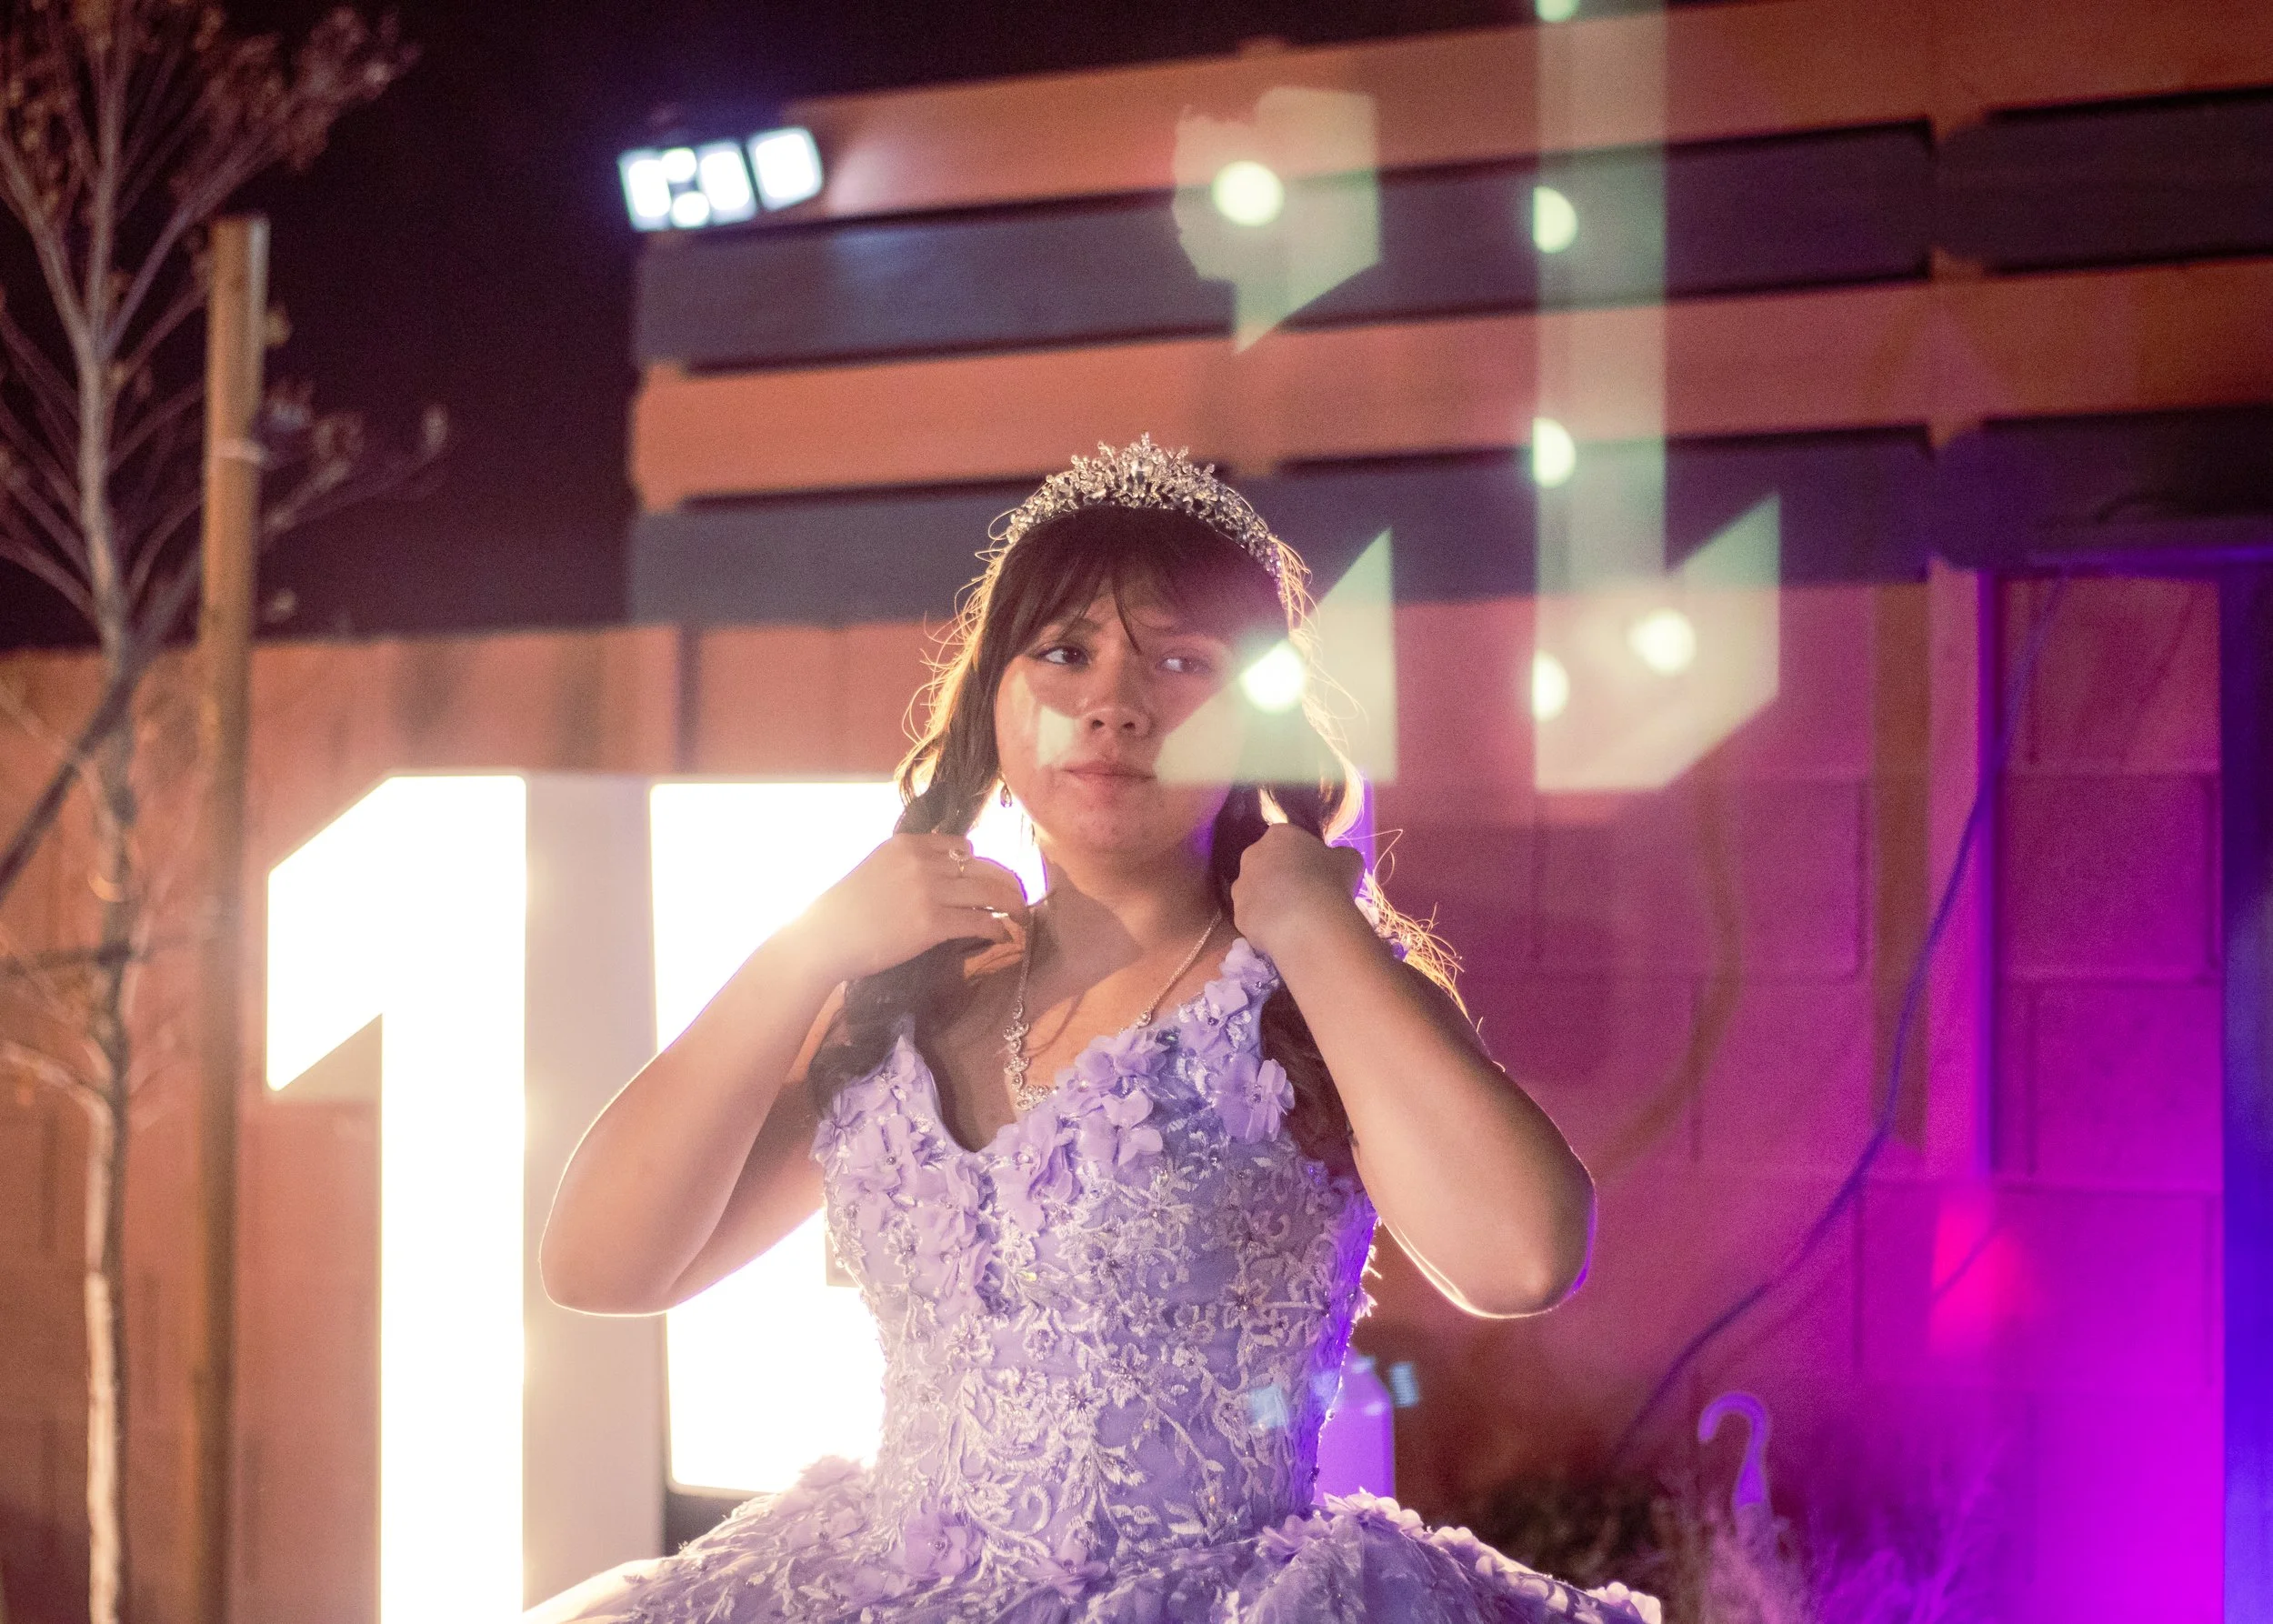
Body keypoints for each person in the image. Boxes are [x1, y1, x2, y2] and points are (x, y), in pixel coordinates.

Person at [534, 439, 1656, 1624]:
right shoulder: (906, 1003)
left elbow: (1525, 1257)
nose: (1114, 702)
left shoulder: (1307, 994)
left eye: (1181, 660)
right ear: (993, 701)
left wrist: (1322, 930)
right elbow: (602, 1266)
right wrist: (799, 953)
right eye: (1066, 651)